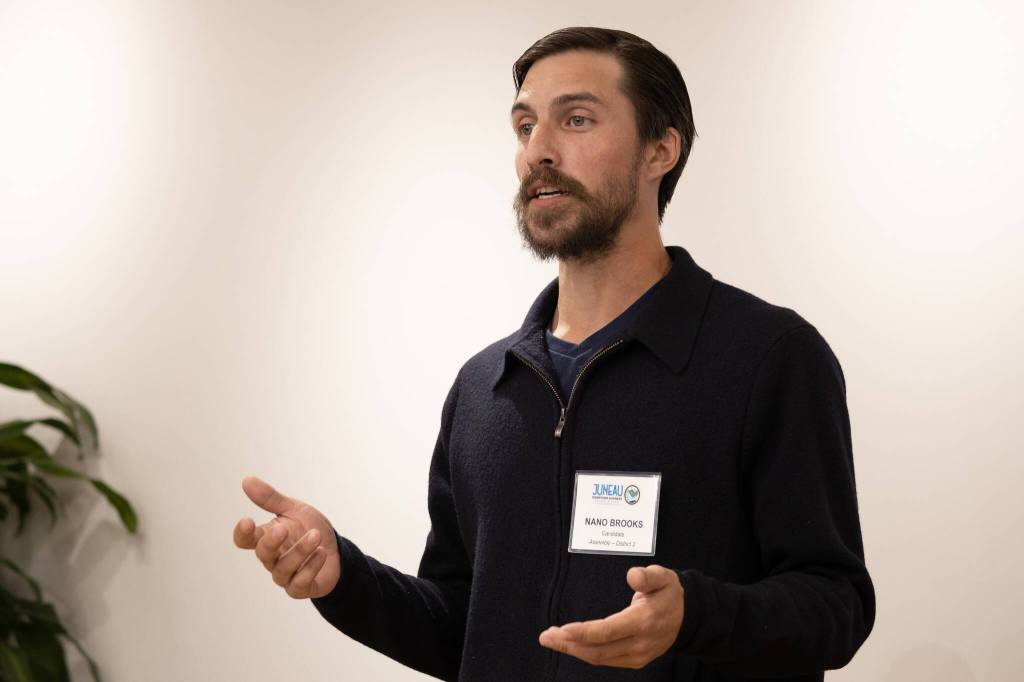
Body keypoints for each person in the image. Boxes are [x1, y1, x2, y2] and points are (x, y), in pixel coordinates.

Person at [233, 26, 875, 682]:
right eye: (524, 126)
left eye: (576, 119)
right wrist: (343, 578)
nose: (539, 150)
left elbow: (837, 605)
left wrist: (694, 617)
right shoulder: (485, 390)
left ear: (660, 149)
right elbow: (463, 626)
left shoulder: (767, 358)